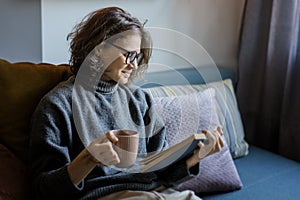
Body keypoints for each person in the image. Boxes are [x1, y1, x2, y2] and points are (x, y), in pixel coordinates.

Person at [29, 6, 224, 200]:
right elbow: (43, 191)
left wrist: (195, 157)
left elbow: (162, 173)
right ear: (98, 49)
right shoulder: (57, 105)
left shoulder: (140, 100)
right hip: (101, 195)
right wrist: (89, 159)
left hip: (151, 192)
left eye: (138, 56)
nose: (134, 64)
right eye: (128, 54)